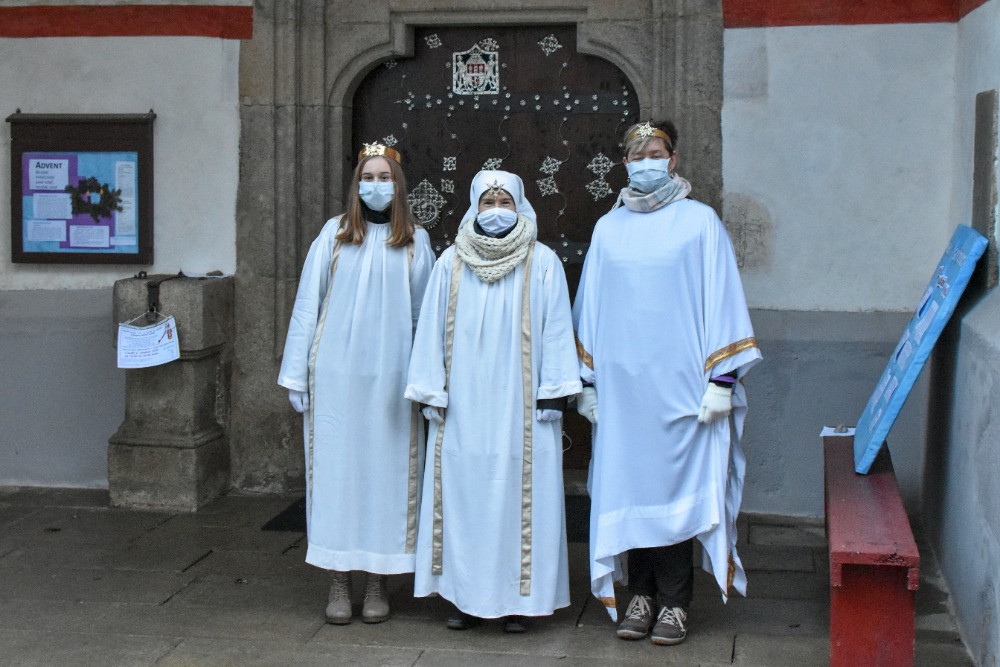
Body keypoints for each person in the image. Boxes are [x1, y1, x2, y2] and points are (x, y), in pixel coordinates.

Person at [573, 121, 761, 646]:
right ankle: (639, 595)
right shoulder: (609, 228)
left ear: (672, 160)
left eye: (655, 153)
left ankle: (675, 602)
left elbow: (723, 298)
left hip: (683, 390)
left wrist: (722, 380)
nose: (647, 162)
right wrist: (587, 382)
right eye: (637, 156)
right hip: (624, 393)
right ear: (625, 164)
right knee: (630, 489)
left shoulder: (699, 223)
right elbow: (592, 305)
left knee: (675, 492)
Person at [405, 170, 581, 633]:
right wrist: (430, 390)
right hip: (463, 405)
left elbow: (557, 326)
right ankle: (464, 597)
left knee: (520, 496)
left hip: (523, 409)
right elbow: (430, 327)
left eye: (505, 202)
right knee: (464, 496)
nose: (497, 210)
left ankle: (519, 602)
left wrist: (554, 392)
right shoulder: (451, 262)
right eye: (488, 202)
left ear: (519, 207)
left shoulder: (542, 262)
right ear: (474, 208)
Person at [277, 142, 434, 625]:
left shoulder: (415, 241)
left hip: (391, 381)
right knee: (338, 476)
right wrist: (297, 373)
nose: (376, 185)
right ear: (356, 184)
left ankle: (378, 581)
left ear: (398, 185)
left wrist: (426, 380)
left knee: (387, 478)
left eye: (385, 177)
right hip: (337, 378)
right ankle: (340, 578)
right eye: (368, 177)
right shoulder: (334, 234)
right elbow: (309, 303)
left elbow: (424, 316)